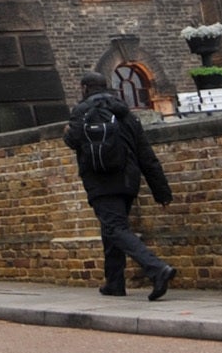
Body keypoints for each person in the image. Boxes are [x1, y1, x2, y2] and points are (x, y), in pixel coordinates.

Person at [63, 70, 176, 299]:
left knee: (115, 228)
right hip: (128, 180)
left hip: (100, 181)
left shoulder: (82, 111)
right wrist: (161, 191)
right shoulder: (126, 113)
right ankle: (114, 282)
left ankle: (157, 269)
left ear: (85, 88)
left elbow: (73, 140)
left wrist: (66, 133)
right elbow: (146, 154)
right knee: (112, 228)